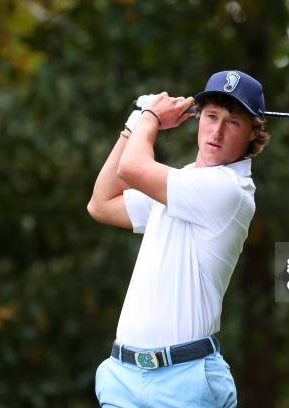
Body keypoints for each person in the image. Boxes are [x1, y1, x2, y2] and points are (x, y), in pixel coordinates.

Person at [88, 70, 270, 407]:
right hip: (122, 379)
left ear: (252, 135)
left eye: (233, 122)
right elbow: (101, 203)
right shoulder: (180, 183)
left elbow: (132, 169)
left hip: (185, 384)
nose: (216, 131)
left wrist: (150, 117)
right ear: (198, 119)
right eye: (212, 116)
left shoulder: (230, 190)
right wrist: (134, 124)